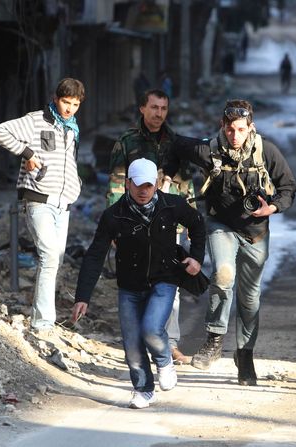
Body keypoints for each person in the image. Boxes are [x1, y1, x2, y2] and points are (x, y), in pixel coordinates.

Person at [164, 99, 296, 386]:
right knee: (223, 274)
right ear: (221, 126)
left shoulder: (266, 151)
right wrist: (168, 176)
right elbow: (175, 144)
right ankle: (214, 340)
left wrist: (271, 208)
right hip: (220, 225)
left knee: (249, 298)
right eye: (230, 129)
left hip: (256, 231)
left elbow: (288, 187)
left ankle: (245, 354)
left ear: (251, 128)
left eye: (241, 129)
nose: (234, 136)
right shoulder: (208, 149)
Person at [72, 158, 206, 409]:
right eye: (137, 185)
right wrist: (83, 296)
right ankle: (143, 389)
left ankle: (164, 361)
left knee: (152, 328)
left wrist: (196, 258)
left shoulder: (172, 205)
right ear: (127, 184)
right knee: (132, 341)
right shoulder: (114, 216)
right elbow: (95, 254)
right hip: (130, 287)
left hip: (164, 280)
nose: (143, 191)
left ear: (156, 184)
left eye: (148, 185)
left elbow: (198, 224)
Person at [107, 89, 197, 365]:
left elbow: (186, 184)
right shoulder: (126, 142)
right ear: (142, 109)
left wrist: (191, 220)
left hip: (170, 221)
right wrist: (115, 226)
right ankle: (140, 342)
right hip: (134, 221)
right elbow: (116, 185)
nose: (159, 113)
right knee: (137, 281)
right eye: (154, 107)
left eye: (164, 109)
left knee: (171, 282)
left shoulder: (176, 143)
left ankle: (168, 344)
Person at [0, 78, 85, 332]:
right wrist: (28, 154)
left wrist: (76, 183)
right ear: (56, 98)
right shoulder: (36, 120)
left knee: (56, 259)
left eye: (75, 104)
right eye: (66, 102)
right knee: (50, 256)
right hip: (38, 199)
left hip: (63, 204)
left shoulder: (72, 128)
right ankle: (43, 324)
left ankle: (43, 317)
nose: (69, 109)